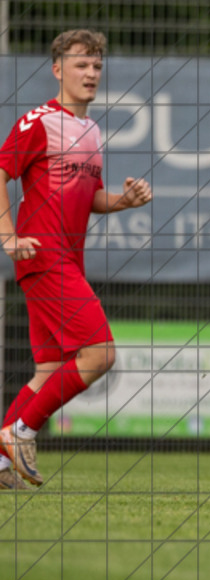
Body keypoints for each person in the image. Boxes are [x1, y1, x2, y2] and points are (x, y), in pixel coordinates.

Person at [0, 29, 154, 488]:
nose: (90, 73)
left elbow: (86, 198)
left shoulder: (90, 129)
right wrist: (7, 236)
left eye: (96, 66)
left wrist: (122, 202)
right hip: (43, 256)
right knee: (100, 353)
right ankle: (20, 432)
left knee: (49, 370)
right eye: (80, 64)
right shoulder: (39, 121)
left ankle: (0, 464)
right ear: (57, 69)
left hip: (66, 259)